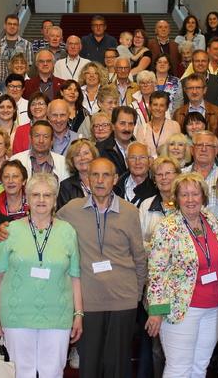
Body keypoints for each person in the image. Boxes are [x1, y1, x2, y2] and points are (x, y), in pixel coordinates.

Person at [56, 158, 147, 378]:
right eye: (94, 175)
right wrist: (6, 226)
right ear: (87, 179)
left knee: (117, 366)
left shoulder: (129, 212)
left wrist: (135, 294)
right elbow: (45, 225)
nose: (99, 180)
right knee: (90, 365)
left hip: (122, 301)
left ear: (115, 179)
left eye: (106, 175)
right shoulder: (71, 210)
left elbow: (139, 257)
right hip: (88, 300)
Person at [0, 172, 83, 377]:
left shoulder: (68, 232)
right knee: (22, 372)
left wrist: (78, 315)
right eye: (36, 195)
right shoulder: (9, 231)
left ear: (55, 200)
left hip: (58, 315)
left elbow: (74, 276)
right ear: (27, 199)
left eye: (47, 195)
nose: (41, 200)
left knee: (53, 372)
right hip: (17, 315)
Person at [146, 172, 218, 378]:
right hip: (181, 308)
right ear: (176, 198)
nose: (190, 200)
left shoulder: (213, 221)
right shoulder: (167, 227)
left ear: (203, 197)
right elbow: (157, 272)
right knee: (179, 369)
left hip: (213, 307)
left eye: (195, 194)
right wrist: (156, 310)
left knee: (200, 367)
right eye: (184, 195)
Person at [173, 73, 218, 147]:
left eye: (198, 88)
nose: (194, 92)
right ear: (185, 90)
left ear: (205, 89)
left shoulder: (217, 112)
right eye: (191, 88)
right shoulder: (178, 114)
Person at [180, 51, 218, 124]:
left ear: (208, 63)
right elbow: (178, 107)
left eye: (203, 61)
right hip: (190, 127)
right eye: (197, 61)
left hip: (214, 126)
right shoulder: (183, 82)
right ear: (192, 63)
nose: (200, 63)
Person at [182, 130, 218, 209]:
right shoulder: (180, 175)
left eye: (209, 146)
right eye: (199, 145)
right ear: (192, 150)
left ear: (216, 151)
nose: (204, 149)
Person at [134, 90, 181, 157]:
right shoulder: (142, 129)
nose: (158, 108)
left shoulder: (174, 125)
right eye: (155, 105)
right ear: (150, 106)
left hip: (169, 165)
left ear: (166, 108)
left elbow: (177, 150)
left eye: (162, 105)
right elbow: (140, 153)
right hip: (148, 166)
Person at [112, 141, 157, 207]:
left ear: (150, 161)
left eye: (142, 157)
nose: (137, 162)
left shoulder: (157, 188)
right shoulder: (116, 187)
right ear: (126, 161)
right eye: (132, 158)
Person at [58, 138, 99, 209]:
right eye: (77, 155)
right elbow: (63, 215)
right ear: (72, 160)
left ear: (94, 156)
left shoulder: (105, 180)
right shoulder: (66, 186)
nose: (82, 158)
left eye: (86, 153)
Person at [96, 105, 137, 175]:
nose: (127, 128)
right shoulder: (100, 150)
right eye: (122, 123)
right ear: (113, 125)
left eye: (130, 124)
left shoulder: (140, 149)